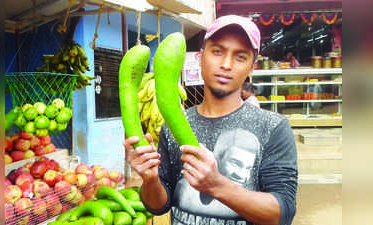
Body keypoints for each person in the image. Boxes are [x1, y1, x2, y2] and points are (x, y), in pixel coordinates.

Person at [124, 15, 298, 225]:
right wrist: (150, 179)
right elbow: (159, 205)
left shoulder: (273, 127)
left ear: (252, 67)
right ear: (200, 57)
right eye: (217, 51)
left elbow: (282, 213)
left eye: (240, 57)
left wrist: (216, 185)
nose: (226, 64)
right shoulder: (173, 125)